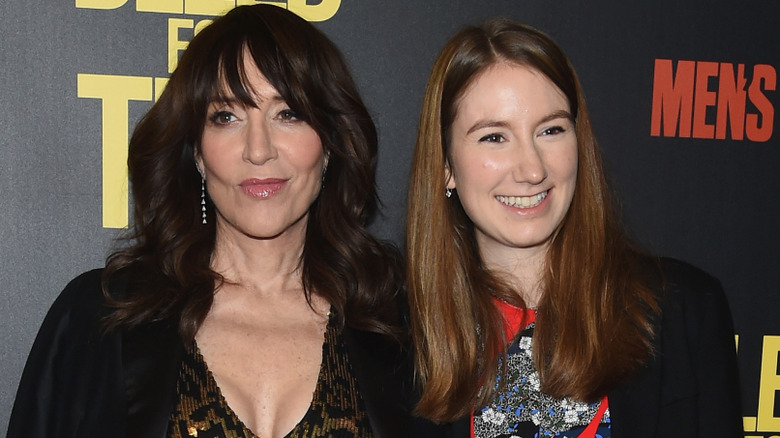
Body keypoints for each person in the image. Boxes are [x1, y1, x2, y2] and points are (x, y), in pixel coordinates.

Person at [8, 5, 411, 437]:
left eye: (288, 113)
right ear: (197, 152)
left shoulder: (402, 328)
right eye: (227, 116)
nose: (259, 150)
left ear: (329, 144)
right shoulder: (100, 319)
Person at [406, 18, 742, 437]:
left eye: (551, 130)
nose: (532, 169)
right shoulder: (397, 338)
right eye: (494, 137)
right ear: (445, 165)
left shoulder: (684, 313)